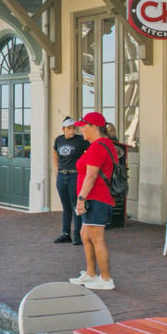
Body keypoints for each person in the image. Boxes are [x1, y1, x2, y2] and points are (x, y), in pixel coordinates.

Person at [69, 112, 119, 291]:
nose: (80, 129)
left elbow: (91, 175)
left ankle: (106, 278)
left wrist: (81, 198)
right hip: (94, 197)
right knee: (85, 234)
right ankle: (91, 273)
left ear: (94, 127)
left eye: (84, 126)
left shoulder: (99, 146)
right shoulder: (98, 145)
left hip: (97, 197)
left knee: (97, 237)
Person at [51, 116, 86, 244]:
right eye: (69, 128)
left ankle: (78, 234)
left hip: (74, 175)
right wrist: (56, 169)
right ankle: (66, 233)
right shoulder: (58, 140)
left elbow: (91, 149)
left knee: (75, 205)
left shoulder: (80, 140)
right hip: (62, 175)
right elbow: (55, 152)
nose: (72, 131)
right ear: (63, 129)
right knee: (66, 206)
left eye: (74, 128)